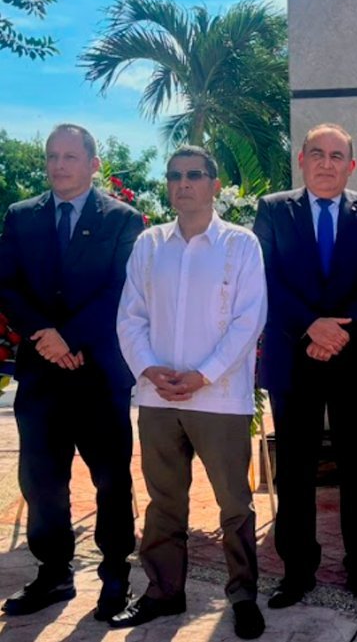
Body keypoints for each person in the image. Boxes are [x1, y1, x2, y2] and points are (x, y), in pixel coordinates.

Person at [112, 146, 267, 638]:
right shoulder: (149, 244)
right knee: (163, 501)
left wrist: (205, 374)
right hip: (158, 397)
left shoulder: (241, 244)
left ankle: (242, 595)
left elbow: (249, 320)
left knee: (234, 503)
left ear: (215, 185)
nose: (183, 183)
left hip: (219, 398)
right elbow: (130, 315)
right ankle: (163, 592)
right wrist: (148, 368)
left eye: (195, 175)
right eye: (175, 175)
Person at [0, 124, 143, 620]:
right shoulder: (21, 216)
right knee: (42, 480)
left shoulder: (122, 219)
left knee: (111, 480)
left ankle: (115, 573)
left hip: (99, 373)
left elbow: (123, 289)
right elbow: (7, 284)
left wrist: (72, 337)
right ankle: (54, 572)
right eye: (52, 156)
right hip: (42, 376)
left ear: (93, 164)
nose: (58, 165)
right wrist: (44, 333)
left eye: (69, 156)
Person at [253, 123, 357, 608]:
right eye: (317, 153)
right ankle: (297, 572)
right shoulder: (274, 210)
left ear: (351, 166)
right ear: (301, 159)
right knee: (295, 472)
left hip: (355, 361)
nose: (326, 163)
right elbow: (264, 276)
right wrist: (310, 326)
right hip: (293, 359)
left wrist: (337, 330)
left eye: (337, 156)